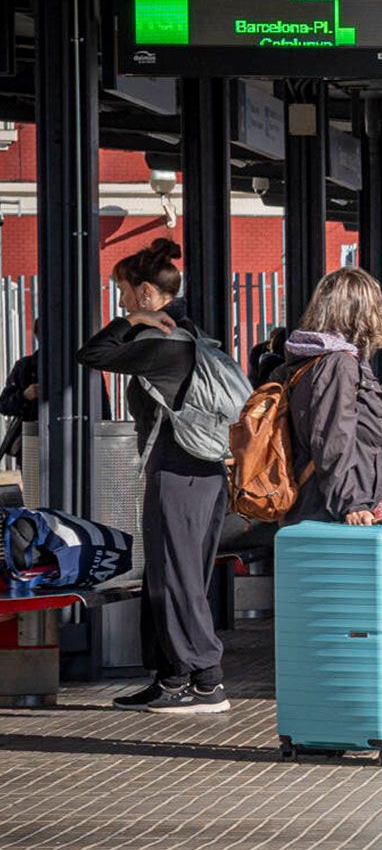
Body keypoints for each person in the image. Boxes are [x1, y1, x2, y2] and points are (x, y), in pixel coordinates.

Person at [74, 240, 232, 715]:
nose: (121, 300)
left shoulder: (162, 342)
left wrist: (133, 321)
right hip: (199, 473)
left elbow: (92, 353)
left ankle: (206, 681)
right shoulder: (190, 335)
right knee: (171, 575)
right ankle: (172, 677)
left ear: (145, 292)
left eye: (123, 291)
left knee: (177, 577)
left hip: (180, 473)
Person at [277, 267, 382, 533]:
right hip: (333, 511)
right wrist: (351, 503)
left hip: (321, 503)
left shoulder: (313, 359)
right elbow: (332, 436)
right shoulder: (339, 364)